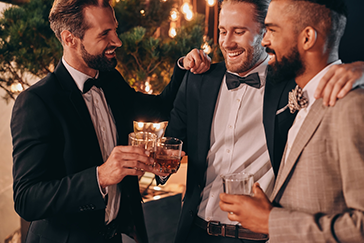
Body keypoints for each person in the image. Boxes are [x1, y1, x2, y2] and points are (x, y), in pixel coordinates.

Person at [160, 0, 364, 243]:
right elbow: (170, 137)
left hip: (260, 236)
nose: (226, 42)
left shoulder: (299, 85)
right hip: (196, 231)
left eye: (240, 31)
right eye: (223, 31)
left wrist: (361, 71)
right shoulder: (198, 80)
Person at [10, 0, 210, 242]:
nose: (118, 41)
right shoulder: (36, 102)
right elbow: (26, 199)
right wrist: (100, 176)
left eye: (114, 29)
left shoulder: (110, 80)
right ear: (69, 38)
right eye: (105, 33)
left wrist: (184, 66)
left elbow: (160, 108)